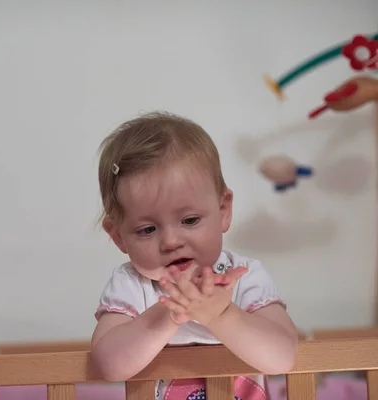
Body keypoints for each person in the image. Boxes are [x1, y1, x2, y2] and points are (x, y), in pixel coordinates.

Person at [90, 112, 298, 399]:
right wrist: (170, 312)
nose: (171, 241)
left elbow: (282, 357)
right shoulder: (131, 285)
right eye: (147, 229)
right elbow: (109, 365)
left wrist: (221, 314)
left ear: (223, 211)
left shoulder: (244, 276)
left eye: (189, 221)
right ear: (118, 236)